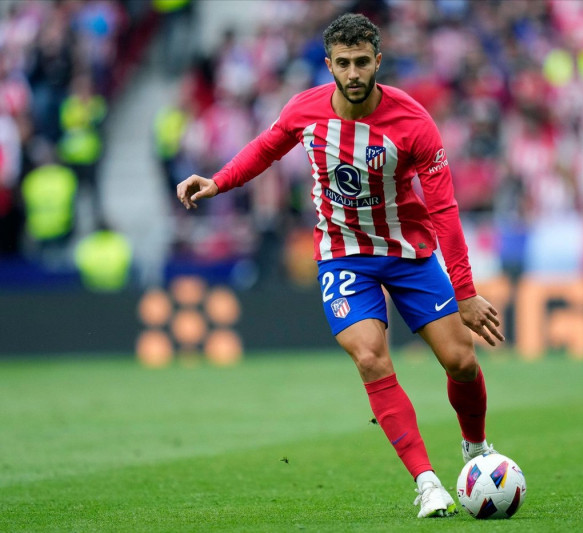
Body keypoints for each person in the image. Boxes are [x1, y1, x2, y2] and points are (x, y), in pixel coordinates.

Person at [176, 13, 504, 518]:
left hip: (407, 252)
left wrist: (464, 290)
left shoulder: (414, 123)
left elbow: (444, 209)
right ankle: (427, 482)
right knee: (371, 356)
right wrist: (218, 181)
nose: (353, 73)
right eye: (343, 63)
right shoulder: (304, 110)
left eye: (361, 62)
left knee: (461, 361)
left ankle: (476, 450)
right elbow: (266, 148)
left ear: (378, 61)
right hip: (343, 254)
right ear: (329, 64)